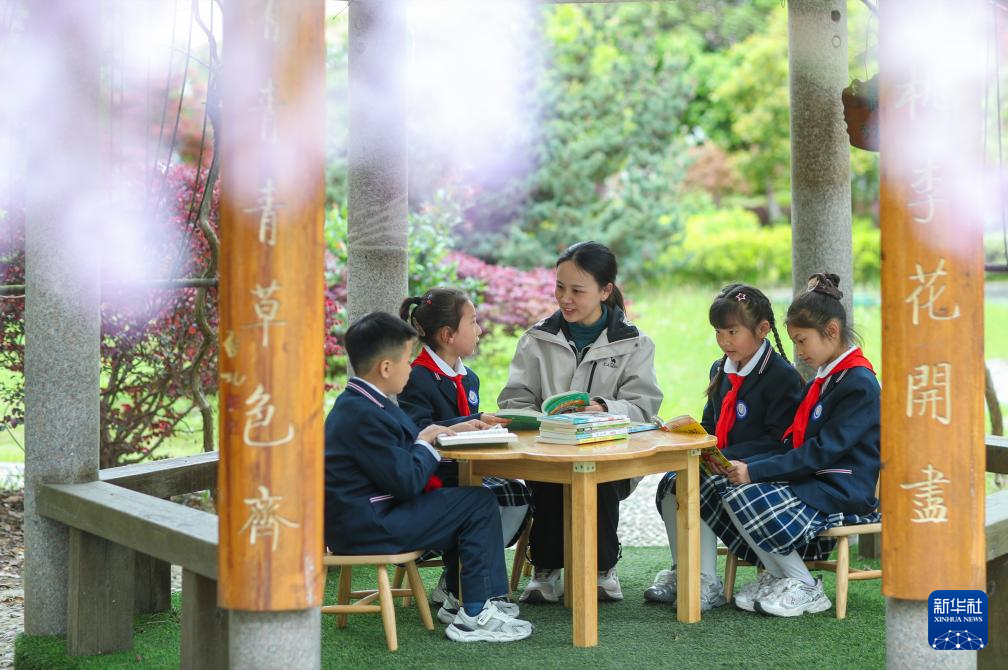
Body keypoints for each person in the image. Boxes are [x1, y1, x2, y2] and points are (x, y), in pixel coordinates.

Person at [324, 311, 533, 642]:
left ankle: (471, 600)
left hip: (368, 516)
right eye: (407, 360)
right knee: (477, 503)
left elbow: (406, 445)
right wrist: (425, 443)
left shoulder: (360, 403)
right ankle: (474, 615)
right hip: (368, 526)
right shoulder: (363, 414)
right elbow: (407, 481)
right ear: (386, 368)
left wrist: (442, 431)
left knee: (472, 499)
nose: (411, 367)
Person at [702, 273, 882, 617]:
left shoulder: (858, 383)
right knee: (727, 486)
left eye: (802, 341)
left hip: (841, 487)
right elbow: (792, 443)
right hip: (816, 479)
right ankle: (779, 575)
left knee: (746, 493)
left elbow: (822, 452)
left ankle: (804, 584)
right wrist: (744, 466)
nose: (798, 351)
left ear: (831, 331)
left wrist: (755, 471)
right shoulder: (827, 379)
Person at [497, 241, 663, 603]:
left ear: (605, 291)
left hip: (611, 456)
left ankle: (603, 568)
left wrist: (603, 407)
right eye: (560, 287)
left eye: (577, 290)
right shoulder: (535, 339)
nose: (565, 298)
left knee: (594, 471)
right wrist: (542, 420)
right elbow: (513, 401)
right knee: (551, 475)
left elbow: (645, 406)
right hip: (548, 450)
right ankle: (546, 570)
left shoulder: (635, 343)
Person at [645, 284, 803, 611]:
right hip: (723, 465)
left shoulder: (781, 377)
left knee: (700, 485)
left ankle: (704, 583)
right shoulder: (720, 369)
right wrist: (683, 436)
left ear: (762, 329)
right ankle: (686, 570)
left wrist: (727, 456)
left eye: (732, 332)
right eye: (718, 332)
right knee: (673, 484)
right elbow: (711, 426)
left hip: (759, 472)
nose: (724, 340)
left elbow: (780, 442)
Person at [397, 288, 533, 609]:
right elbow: (418, 431)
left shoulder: (468, 378)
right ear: (447, 335)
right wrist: (470, 421)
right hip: (434, 478)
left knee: (517, 495)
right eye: (472, 322)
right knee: (482, 499)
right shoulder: (417, 377)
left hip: (467, 471)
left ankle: (465, 577)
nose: (479, 330)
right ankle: (463, 586)